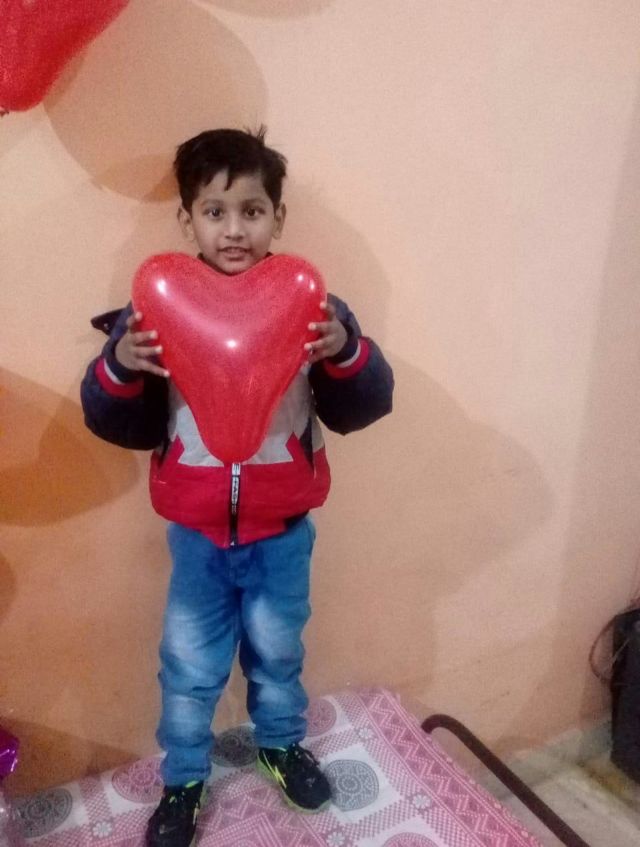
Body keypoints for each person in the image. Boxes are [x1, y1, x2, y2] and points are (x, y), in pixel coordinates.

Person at [81, 127, 394, 847]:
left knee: (278, 655)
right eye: (214, 211)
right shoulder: (155, 309)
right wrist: (121, 364)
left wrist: (346, 350)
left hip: (282, 534)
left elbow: (366, 404)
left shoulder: (314, 308)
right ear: (186, 219)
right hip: (197, 539)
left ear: (278, 219)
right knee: (188, 666)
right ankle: (185, 777)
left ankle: (280, 743)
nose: (233, 229)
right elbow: (111, 418)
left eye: (252, 211)